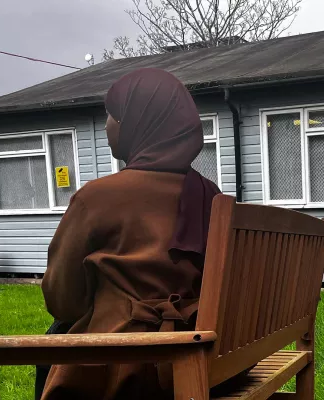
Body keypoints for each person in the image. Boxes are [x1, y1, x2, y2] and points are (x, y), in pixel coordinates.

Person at [40, 68, 221, 400]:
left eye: (112, 115)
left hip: (124, 367)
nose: (107, 125)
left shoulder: (97, 198)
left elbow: (61, 301)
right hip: (205, 361)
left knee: (54, 337)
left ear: (138, 123)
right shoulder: (210, 194)